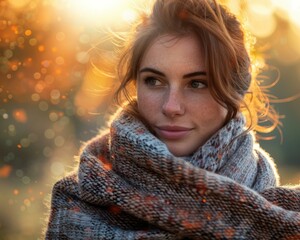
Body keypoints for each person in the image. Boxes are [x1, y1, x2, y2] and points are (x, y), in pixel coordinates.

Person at [45, 0, 300, 239]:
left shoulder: (281, 215)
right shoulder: (77, 203)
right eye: (154, 81)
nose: (171, 107)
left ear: (236, 91)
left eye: (197, 83)